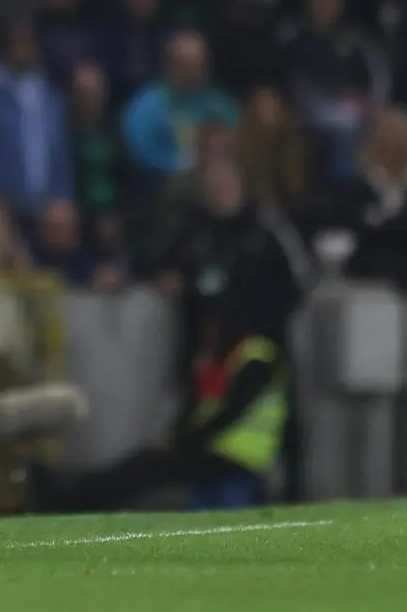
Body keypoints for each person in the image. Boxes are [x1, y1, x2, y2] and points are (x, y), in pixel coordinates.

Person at [29, 158, 307, 512]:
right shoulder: (196, 237)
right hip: (212, 415)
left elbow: (231, 411)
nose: (219, 192)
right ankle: (65, 495)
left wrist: (183, 442)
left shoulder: (264, 247)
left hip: (230, 449)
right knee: (148, 466)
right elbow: (163, 269)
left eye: (225, 184)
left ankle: (65, 498)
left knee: (149, 468)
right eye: (213, 185)